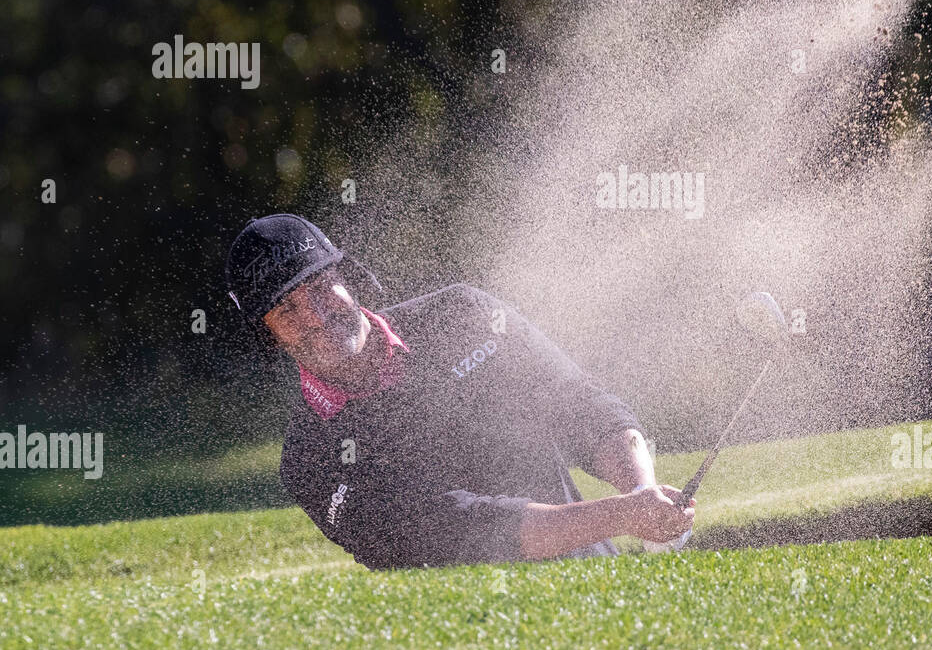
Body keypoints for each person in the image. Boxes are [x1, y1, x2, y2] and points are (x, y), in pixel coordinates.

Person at [224, 213, 694, 569]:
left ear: (349, 280)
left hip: (595, 581)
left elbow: (583, 407)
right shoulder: (311, 461)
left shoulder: (463, 317)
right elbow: (461, 531)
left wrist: (643, 493)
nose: (316, 317)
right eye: (287, 309)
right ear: (271, 337)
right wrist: (625, 514)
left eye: (322, 288)